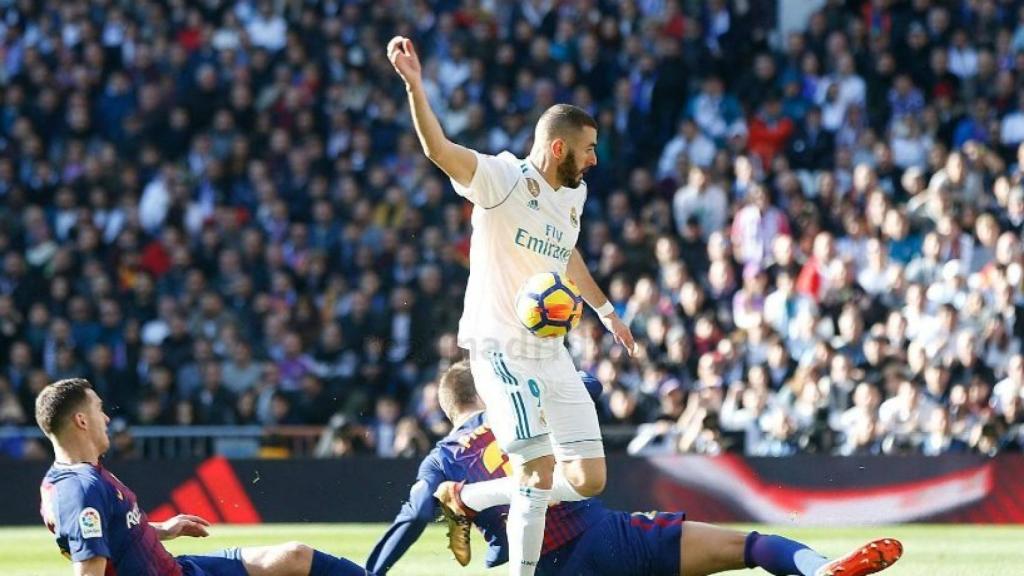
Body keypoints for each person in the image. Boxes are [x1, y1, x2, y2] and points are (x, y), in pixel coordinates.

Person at [387, 36, 637, 576]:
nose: (595, 159)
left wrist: (606, 311)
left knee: (589, 478)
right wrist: (415, 87)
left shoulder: (573, 196)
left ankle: (466, 498)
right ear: (558, 148)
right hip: (499, 348)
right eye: (589, 149)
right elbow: (438, 150)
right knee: (537, 471)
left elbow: (567, 256)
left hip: (549, 350)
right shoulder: (502, 179)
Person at [367, 361, 903, 576]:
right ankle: (817, 569)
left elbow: (411, 519)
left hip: (540, 567)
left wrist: (372, 572)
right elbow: (591, 386)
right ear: (485, 392)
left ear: (447, 410)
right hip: (605, 536)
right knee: (749, 546)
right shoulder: (518, 408)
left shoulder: (441, 459)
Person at [36, 378, 368, 576]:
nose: (107, 418)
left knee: (295, 555)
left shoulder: (74, 478)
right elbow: (89, 570)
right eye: (98, 409)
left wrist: (162, 529)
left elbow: (112, 531)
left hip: (181, 568)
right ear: (81, 421)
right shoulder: (81, 488)